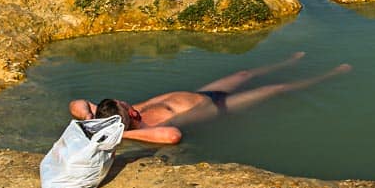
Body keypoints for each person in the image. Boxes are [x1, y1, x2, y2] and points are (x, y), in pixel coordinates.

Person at [68, 52, 350, 145]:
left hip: (203, 92)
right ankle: (330, 75)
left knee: (244, 72)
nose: (134, 106)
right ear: (125, 119)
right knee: (274, 90)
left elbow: (77, 103)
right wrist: (120, 136)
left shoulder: (114, 113)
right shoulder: (144, 130)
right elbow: (173, 136)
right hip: (218, 106)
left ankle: (289, 61)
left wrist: (91, 120)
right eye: (129, 109)